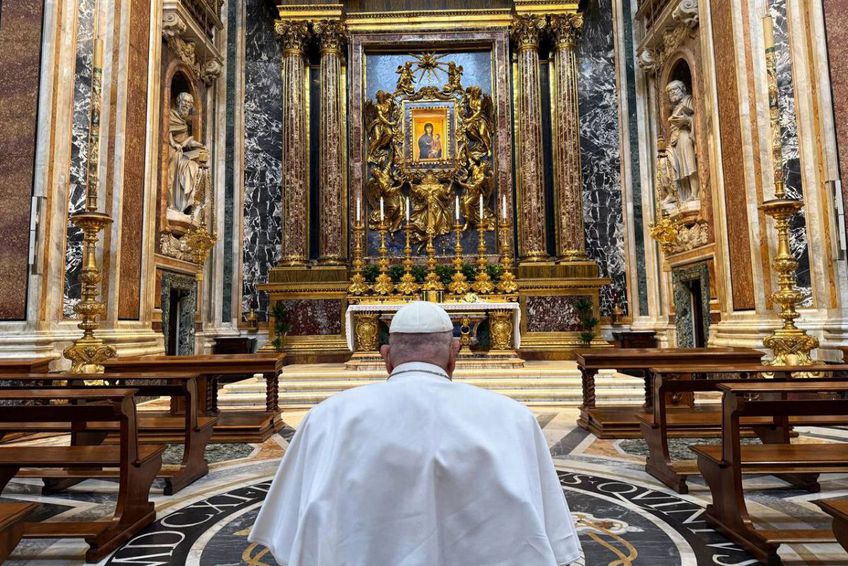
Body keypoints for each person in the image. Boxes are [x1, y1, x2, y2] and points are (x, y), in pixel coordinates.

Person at [249, 301, 582, 566]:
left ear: (386, 357)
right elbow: (552, 537)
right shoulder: (514, 419)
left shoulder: (326, 419)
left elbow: (288, 532)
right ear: (454, 355)